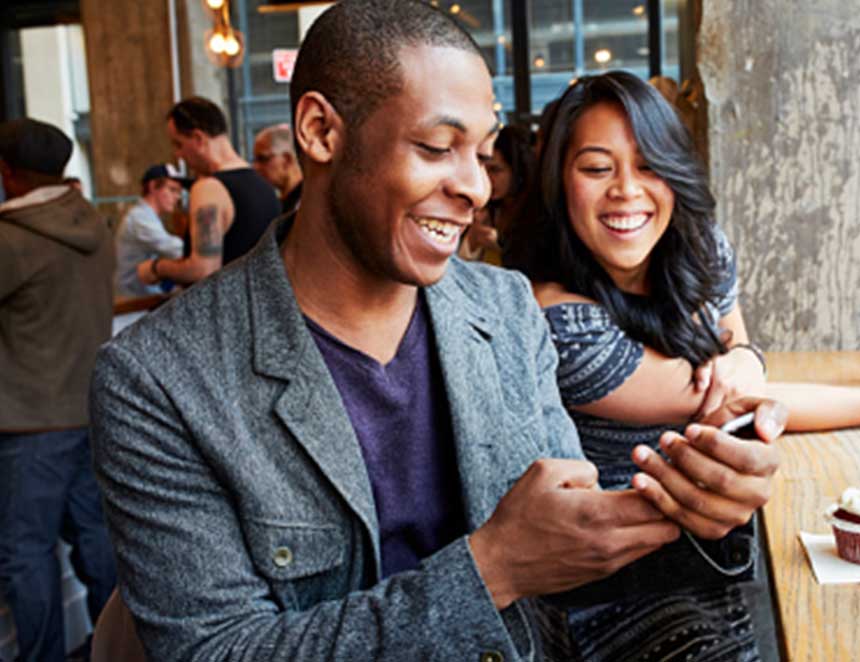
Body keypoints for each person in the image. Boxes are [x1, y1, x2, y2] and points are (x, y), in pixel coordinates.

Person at [88, 3, 784, 661]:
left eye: (481, 154)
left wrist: (699, 515)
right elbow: (220, 650)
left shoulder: (506, 310)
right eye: (436, 147)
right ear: (321, 132)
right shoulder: (159, 379)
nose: (476, 188)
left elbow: (568, 557)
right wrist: (490, 569)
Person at [504, 71, 860, 660]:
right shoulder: (557, 322)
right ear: (559, 180)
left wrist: (746, 357)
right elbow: (736, 403)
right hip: (623, 585)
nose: (626, 190)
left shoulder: (698, 249)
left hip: (725, 547)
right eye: (597, 169)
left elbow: (744, 363)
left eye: (649, 166)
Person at [0, 118, 117, 662]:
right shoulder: (92, 222)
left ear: (8, 172)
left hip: (30, 421)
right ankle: (119, 649)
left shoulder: (13, 240)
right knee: (95, 540)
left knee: (24, 553)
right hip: (88, 409)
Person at [136, 97, 280, 288]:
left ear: (198, 139)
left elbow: (203, 269)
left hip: (224, 312)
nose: (177, 155)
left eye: (178, 144)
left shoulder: (208, 188)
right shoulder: (264, 185)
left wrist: (156, 268)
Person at [458, 124, 534, 264]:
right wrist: (472, 240)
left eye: (495, 170)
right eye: (483, 169)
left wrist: (499, 246)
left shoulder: (539, 215)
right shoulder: (483, 211)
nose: (486, 178)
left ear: (518, 169)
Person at [114, 163, 189, 297]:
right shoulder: (139, 218)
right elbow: (175, 249)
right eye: (172, 190)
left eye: (178, 191)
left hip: (143, 296)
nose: (177, 197)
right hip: (133, 305)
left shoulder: (148, 215)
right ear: (153, 186)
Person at [252, 123, 303, 214]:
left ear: (286, 159)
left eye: (263, 159)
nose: (255, 167)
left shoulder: (308, 202)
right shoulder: (278, 203)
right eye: (255, 160)